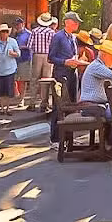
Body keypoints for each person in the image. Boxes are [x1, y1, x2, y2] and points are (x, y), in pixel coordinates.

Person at [48, 12, 85, 144]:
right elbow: (51, 58)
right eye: (75, 22)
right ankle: (55, 139)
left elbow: (73, 54)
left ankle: (70, 138)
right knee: (59, 106)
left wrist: (76, 60)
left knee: (72, 105)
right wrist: (65, 62)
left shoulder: (73, 38)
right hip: (61, 74)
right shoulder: (58, 37)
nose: (77, 24)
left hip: (73, 73)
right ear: (67, 22)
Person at [78, 40, 112, 119]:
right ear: (106, 55)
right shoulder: (97, 66)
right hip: (91, 106)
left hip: (93, 104)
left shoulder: (97, 65)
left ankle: (111, 130)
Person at [27, 13, 57, 112]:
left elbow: (29, 45)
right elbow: (54, 46)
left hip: (37, 55)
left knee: (34, 80)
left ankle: (32, 103)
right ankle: (44, 103)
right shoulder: (52, 32)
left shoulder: (34, 31)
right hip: (48, 57)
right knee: (46, 80)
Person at [0, 24, 20, 115]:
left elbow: (18, 53)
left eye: (6, 32)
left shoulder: (13, 41)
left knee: (8, 90)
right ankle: (2, 108)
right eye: (2, 32)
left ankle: (7, 108)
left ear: (8, 33)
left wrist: (13, 54)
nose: (4, 34)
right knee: (0, 90)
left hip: (10, 69)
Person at [13, 17, 32, 106]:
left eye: (19, 24)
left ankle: (22, 99)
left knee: (23, 80)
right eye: (16, 25)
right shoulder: (13, 34)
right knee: (12, 78)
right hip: (13, 59)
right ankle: (16, 94)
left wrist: (22, 47)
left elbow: (31, 46)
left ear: (23, 24)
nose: (17, 26)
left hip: (24, 58)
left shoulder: (29, 34)